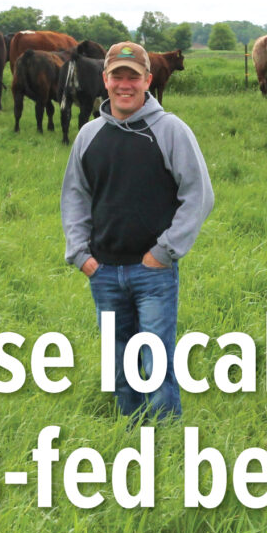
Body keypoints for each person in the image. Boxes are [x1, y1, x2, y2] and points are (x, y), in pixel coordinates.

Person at [61, 41, 213, 420]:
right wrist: (81, 255)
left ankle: (164, 439)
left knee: (155, 360)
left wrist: (164, 252)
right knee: (118, 363)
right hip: (104, 271)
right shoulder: (89, 135)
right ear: (105, 80)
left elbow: (199, 194)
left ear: (148, 79)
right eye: (117, 77)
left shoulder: (171, 130)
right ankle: (128, 431)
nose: (124, 85)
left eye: (133, 77)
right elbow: (75, 197)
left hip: (153, 273)